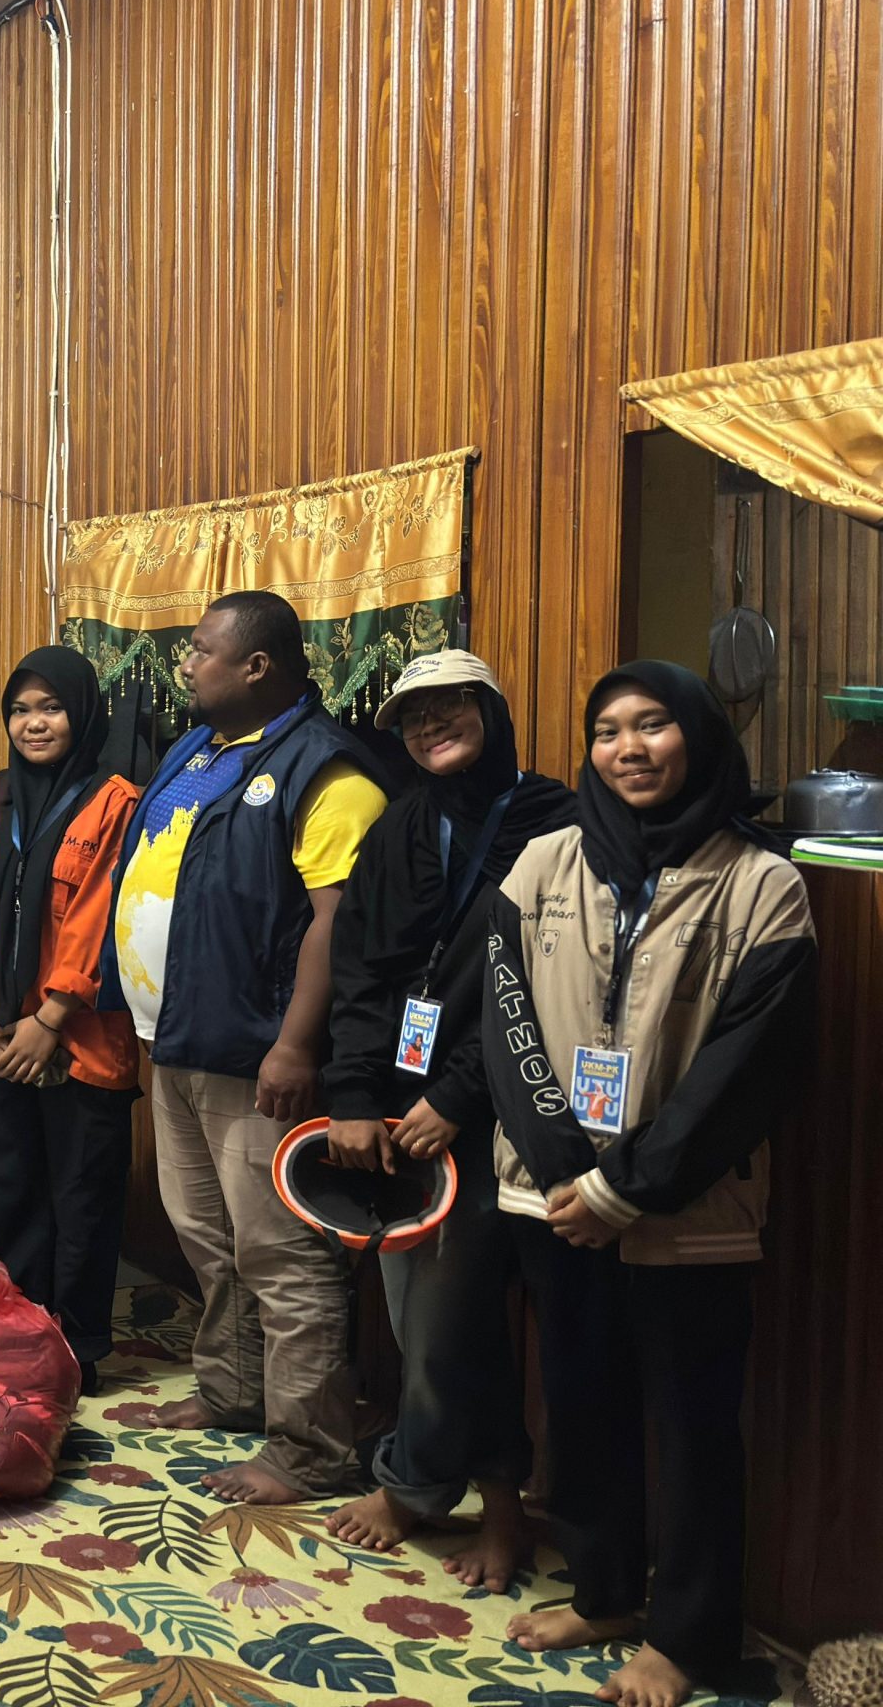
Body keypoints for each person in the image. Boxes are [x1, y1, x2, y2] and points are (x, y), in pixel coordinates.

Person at [484, 662, 814, 1707]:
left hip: (688, 1210)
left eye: (653, 724)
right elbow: (504, 1017)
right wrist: (567, 1174)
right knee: (581, 1404)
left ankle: (688, 1636)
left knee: (693, 1424)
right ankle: (605, 1593)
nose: (627, 748)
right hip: (554, 1200)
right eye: (607, 730)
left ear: (699, 737)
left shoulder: (763, 883)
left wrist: (626, 1187)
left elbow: (748, 1069)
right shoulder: (543, 860)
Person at [104, 590, 386, 1504]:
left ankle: (309, 1449)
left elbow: (337, 923)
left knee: (280, 1252)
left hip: (256, 1052)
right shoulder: (199, 747)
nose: (185, 664)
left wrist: (296, 1045)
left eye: (201, 650)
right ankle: (232, 1392)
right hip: (175, 1037)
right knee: (206, 1234)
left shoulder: (326, 771)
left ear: (257, 665)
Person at [323, 651, 575, 1583]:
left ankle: (462, 1500)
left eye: (449, 706)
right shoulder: (401, 826)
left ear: (493, 710)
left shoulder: (557, 825)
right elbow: (360, 967)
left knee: (454, 1317)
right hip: (398, 1112)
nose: (431, 726)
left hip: (505, 1110)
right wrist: (357, 1095)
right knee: (421, 1314)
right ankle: (453, 1490)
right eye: (413, 716)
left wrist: (456, 1095)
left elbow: (549, 987)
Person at [0, 647, 145, 1394]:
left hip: (80, 1041)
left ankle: (79, 1347)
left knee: (81, 1196)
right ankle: (23, 1331)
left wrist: (51, 1017)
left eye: (51, 708)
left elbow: (103, 915)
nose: (34, 724)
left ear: (83, 713)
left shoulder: (115, 800)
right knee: (11, 1189)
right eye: (20, 710)